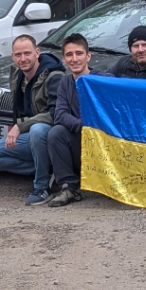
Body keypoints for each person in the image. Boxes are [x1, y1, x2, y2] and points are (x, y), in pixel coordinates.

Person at [0, 34, 66, 205]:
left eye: (27, 53)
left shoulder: (54, 76)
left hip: (48, 137)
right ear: (13, 56)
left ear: (37, 52)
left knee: (38, 129)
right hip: (26, 138)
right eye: (18, 55)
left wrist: (20, 126)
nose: (23, 59)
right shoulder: (16, 73)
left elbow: (55, 114)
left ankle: (42, 187)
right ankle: (45, 169)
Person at [44, 35, 94, 207]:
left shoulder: (103, 79)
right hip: (80, 139)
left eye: (79, 53)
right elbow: (60, 114)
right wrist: (83, 126)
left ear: (88, 56)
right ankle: (69, 187)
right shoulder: (65, 82)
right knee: (56, 132)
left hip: (103, 143)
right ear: (64, 59)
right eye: (69, 55)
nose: (74, 59)